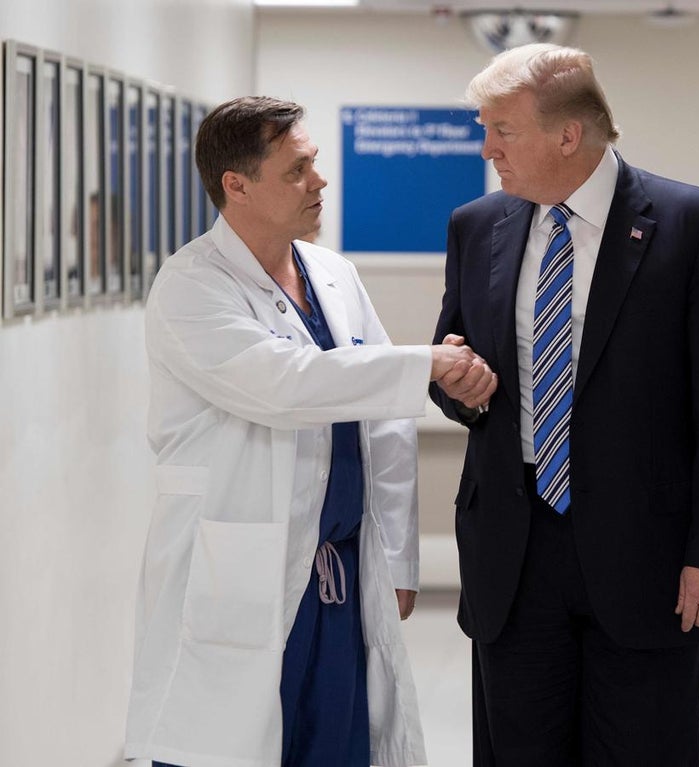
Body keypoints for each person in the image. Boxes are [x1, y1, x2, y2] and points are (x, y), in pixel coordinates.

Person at [123, 96, 494, 767]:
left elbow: (384, 422)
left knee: (339, 746)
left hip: (343, 574)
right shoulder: (192, 287)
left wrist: (399, 556)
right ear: (236, 185)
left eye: (314, 164)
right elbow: (285, 385)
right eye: (297, 170)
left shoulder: (333, 274)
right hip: (237, 571)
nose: (318, 182)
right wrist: (431, 361)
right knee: (232, 744)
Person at [430, 44, 699, 766]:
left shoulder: (692, 223)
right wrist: (454, 387)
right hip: (513, 556)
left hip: (649, 557)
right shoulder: (475, 226)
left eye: (502, 131)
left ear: (567, 135)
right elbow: (451, 368)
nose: (486, 148)